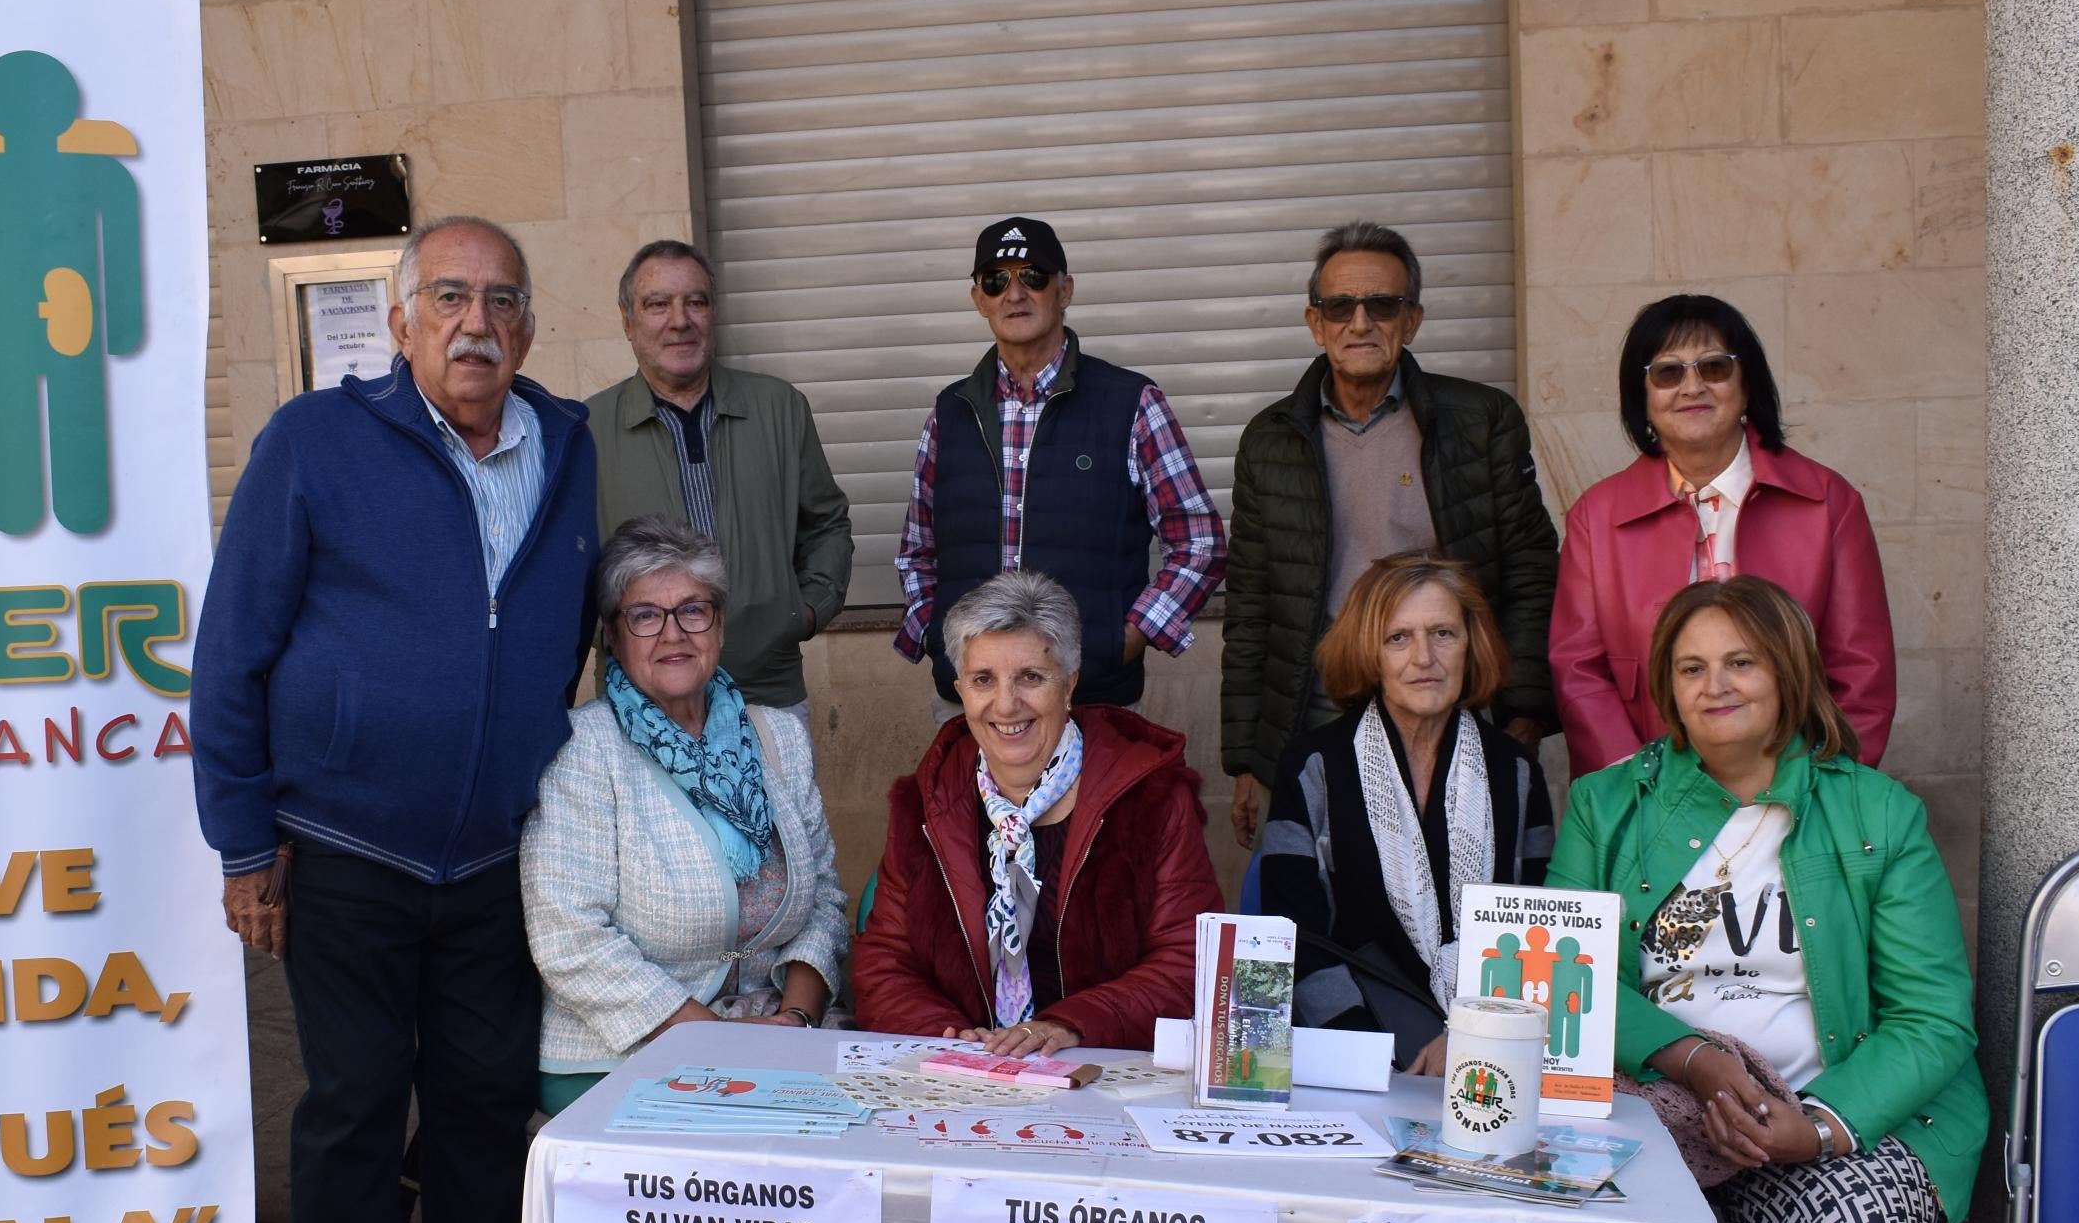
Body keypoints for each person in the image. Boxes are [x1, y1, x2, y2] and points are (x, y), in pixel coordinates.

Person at [190, 213, 598, 1223]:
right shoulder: (315, 441)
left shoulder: (572, 444)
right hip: (345, 846)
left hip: (494, 853)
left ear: (528, 325)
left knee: (484, 1108)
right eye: (452, 298)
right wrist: (243, 840)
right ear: (405, 318)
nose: (478, 323)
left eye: (502, 302)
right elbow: (232, 650)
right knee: (355, 1106)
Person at [1544, 574, 1983, 1223]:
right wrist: (1693, 1058)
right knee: (1552, 1216)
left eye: (1740, 661)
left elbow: (1933, 1017)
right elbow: (1564, 972)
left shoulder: (1875, 813)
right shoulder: (1614, 805)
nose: (1716, 684)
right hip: (1656, 1102)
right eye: (1691, 667)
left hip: (1842, 1119)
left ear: (1788, 672)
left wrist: (1817, 1126)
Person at [1223, 223, 1561, 848]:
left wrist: (1526, 712)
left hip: (1447, 707)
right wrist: (1247, 756)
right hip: (1320, 708)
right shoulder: (1270, 440)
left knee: (1457, 898)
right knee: (1298, 903)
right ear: (1315, 322)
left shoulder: (1480, 422)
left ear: (1412, 320)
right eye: (1339, 307)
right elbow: (1250, 604)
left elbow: (1529, 570)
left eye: (1381, 305)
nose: (1360, 323)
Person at [522, 516, 848, 1110]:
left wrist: (797, 1020)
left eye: (694, 610)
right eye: (645, 615)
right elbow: (568, 936)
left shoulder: (777, 737)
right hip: (621, 1055)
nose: (673, 633)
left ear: (719, 627)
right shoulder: (583, 748)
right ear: (614, 639)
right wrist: (715, 1040)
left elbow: (824, 898)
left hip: (778, 1037)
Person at [855, 571, 1223, 1052]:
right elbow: (884, 962)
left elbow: (1190, 962)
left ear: (1069, 685)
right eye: (984, 679)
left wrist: (1070, 1026)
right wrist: (952, 1039)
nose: (1006, 705)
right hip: (964, 1074)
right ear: (960, 689)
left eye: (1031, 677)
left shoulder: (1153, 797)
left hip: (1101, 1069)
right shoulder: (928, 800)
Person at [1550, 294, 1896, 775]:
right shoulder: (1596, 516)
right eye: (1668, 373)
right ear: (1643, 396)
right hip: (1646, 792)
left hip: (1797, 791)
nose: (1692, 387)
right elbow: (1578, 671)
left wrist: (1819, 786)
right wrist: (1638, 785)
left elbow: (1863, 671)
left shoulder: (1828, 502)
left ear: (1746, 383)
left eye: (1714, 367)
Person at [892, 216, 1226, 713]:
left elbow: (1199, 541)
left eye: (1034, 276)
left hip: (1090, 701)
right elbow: (918, 552)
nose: (1014, 293)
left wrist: (1123, 641)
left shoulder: (1131, 403)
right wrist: (938, 639)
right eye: (996, 280)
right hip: (975, 706)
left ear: (1064, 290)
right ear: (979, 299)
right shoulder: (950, 412)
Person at [1255, 555, 1555, 1071]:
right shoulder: (1315, 766)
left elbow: (1540, 929)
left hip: (1496, 1051)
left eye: (1443, 633)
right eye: (1399, 638)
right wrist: (1364, 1051)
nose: (1424, 658)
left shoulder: (1517, 771)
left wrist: (1477, 1038)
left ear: (1471, 644)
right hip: (1349, 1048)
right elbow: (1292, 933)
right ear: (1369, 651)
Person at [585, 242, 853, 712]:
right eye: (657, 304)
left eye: (696, 301)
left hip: (768, 693)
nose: (680, 319)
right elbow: (565, 563)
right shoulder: (586, 429)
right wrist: (607, 635)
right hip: (643, 704)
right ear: (628, 321)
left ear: (713, 313)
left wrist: (805, 612)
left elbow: (827, 522)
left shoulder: (780, 408)